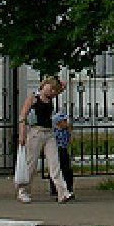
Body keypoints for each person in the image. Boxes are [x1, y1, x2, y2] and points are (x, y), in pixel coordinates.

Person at [15, 75, 70, 204]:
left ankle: (63, 192)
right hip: (35, 132)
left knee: (54, 163)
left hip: (49, 134)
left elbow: (62, 86)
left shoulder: (50, 97)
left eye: (54, 91)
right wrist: (22, 134)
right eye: (50, 89)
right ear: (44, 85)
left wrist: (59, 83)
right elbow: (22, 117)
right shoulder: (33, 98)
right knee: (31, 164)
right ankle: (23, 191)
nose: (52, 93)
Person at [45, 108, 74, 199]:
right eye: (64, 121)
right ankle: (55, 189)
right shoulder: (54, 131)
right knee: (55, 170)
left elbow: (70, 140)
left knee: (67, 170)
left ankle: (68, 188)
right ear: (58, 122)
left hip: (64, 150)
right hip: (56, 151)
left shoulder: (65, 130)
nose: (66, 123)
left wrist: (69, 130)